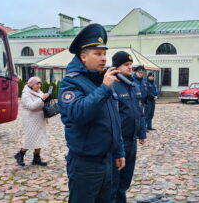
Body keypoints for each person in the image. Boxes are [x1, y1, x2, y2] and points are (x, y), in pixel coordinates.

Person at [58, 23, 125, 203]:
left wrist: (119, 151)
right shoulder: (71, 83)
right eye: (97, 54)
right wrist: (104, 88)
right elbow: (78, 113)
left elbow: (114, 119)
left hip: (107, 160)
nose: (103, 58)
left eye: (104, 53)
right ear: (83, 57)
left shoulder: (102, 80)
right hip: (85, 164)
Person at [111, 51, 147, 203]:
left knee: (126, 180)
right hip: (119, 141)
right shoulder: (113, 86)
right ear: (116, 67)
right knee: (115, 181)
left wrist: (142, 133)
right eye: (126, 65)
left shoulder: (133, 85)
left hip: (132, 141)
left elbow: (140, 112)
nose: (130, 68)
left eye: (131, 65)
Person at [14, 76, 50, 167]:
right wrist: (42, 99)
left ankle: (36, 158)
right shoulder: (26, 94)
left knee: (39, 139)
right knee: (30, 138)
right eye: (37, 84)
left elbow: (41, 104)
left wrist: (47, 99)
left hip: (39, 118)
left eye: (39, 83)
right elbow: (31, 106)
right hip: (30, 120)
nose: (39, 85)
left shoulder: (39, 92)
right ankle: (20, 154)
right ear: (31, 85)